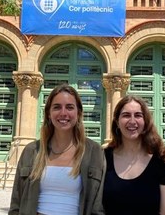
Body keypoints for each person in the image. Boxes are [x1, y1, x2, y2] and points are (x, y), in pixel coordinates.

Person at [9, 84, 106, 215]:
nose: (63, 113)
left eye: (70, 107)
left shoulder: (94, 152)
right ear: (49, 114)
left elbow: (98, 205)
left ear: (79, 113)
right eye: (57, 107)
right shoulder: (32, 151)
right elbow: (16, 203)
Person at [103, 95, 165, 215]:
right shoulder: (103, 159)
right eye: (126, 115)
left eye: (138, 115)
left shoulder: (163, 161)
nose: (132, 121)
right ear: (117, 121)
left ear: (145, 121)